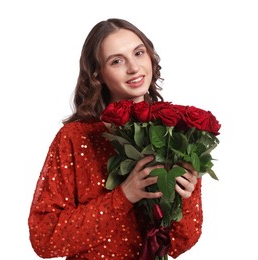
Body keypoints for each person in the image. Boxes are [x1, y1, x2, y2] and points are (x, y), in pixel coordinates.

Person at [28, 18, 203, 259]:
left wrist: (187, 197)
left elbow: (179, 244)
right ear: (97, 74)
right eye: (117, 61)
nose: (134, 68)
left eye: (139, 53)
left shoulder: (175, 134)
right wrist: (124, 196)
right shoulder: (77, 138)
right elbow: (44, 239)